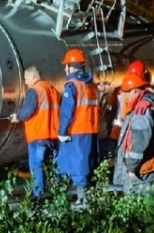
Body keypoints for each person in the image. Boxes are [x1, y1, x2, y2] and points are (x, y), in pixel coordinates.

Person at [113, 71, 154, 194]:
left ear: (134, 91)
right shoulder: (149, 103)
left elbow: (139, 140)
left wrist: (131, 167)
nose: (125, 97)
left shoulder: (142, 110)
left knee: (136, 206)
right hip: (148, 167)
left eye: (126, 92)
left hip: (141, 172)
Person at [9, 65, 59, 199]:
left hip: (38, 134)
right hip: (52, 135)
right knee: (52, 165)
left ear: (34, 77)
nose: (25, 82)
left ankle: (38, 193)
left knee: (36, 165)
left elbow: (28, 111)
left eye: (26, 79)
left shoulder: (34, 90)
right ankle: (57, 191)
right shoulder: (51, 90)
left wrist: (17, 117)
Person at [56, 47, 100, 199]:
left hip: (75, 132)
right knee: (87, 166)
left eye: (65, 66)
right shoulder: (91, 86)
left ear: (69, 67)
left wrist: (62, 131)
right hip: (91, 131)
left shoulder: (72, 86)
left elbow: (67, 111)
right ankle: (89, 199)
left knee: (74, 167)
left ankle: (79, 202)